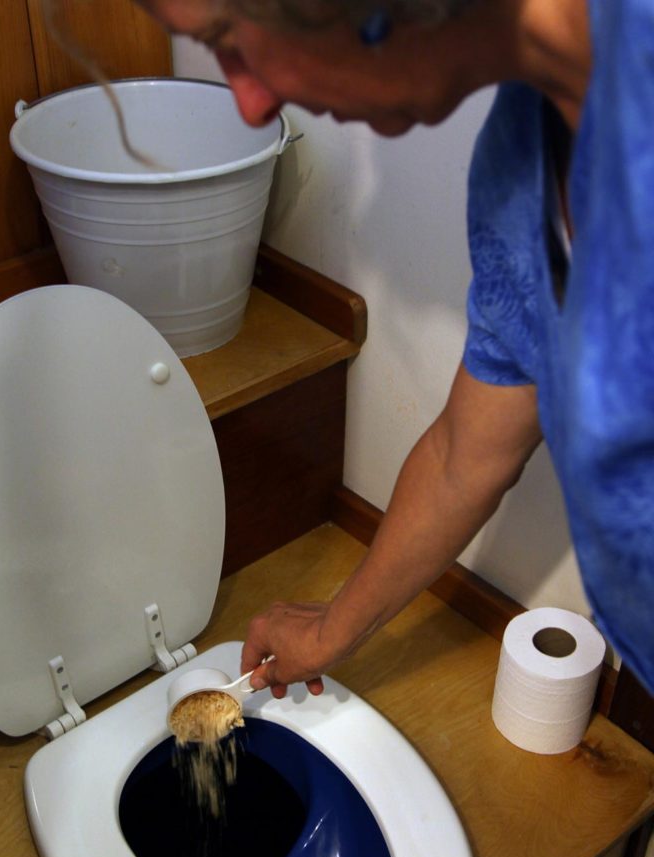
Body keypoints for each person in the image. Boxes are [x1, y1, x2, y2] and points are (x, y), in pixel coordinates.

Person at [135, 0, 654, 697]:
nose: (253, 103)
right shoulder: (519, 162)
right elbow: (463, 457)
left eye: (229, 40)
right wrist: (328, 633)